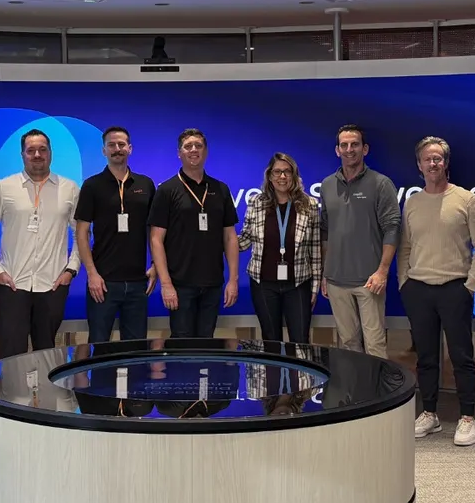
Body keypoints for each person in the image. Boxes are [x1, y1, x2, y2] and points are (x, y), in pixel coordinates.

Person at [399, 136, 475, 447]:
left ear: (446, 163)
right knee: (426, 358)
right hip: (419, 290)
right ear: (419, 165)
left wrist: (469, 286)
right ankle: (430, 413)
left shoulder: (466, 200)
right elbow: (405, 247)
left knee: (462, 356)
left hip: (455, 289)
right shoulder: (412, 203)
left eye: (438, 158)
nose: (433, 163)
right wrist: (405, 283)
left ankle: (468, 417)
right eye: (427, 159)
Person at [0, 129, 80, 358]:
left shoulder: (70, 188)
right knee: (11, 356)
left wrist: (71, 270)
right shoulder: (4, 187)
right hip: (13, 286)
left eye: (42, 149)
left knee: (47, 356)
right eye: (31, 150)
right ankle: (12, 395)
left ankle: (47, 395)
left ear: (50, 153)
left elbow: (82, 233)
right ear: (22, 155)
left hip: (52, 285)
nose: (37, 155)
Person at [318, 124, 401, 357]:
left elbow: (392, 228)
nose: (349, 149)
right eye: (344, 145)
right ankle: (355, 393)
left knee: (375, 345)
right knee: (348, 344)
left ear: (365, 149)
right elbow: (325, 231)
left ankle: (379, 393)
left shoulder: (381, 184)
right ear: (337, 150)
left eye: (354, 144)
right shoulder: (327, 185)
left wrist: (383, 271)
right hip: (336, 280)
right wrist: (326, 273)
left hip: (369, 280)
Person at [148, 128, 238, 338]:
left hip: (213, 283)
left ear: (206, 151)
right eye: (188, 146)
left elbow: (230, 237)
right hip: (180, 285)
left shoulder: (220, 189)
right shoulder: (167, 190)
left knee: (207, 345)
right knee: (182, 348)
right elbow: (156, 239)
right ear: (179, 153)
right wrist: (166, 284)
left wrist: (232, 280)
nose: (194, 150)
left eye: (198, 146)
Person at [75, 126, 157, 343]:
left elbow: (155, 232)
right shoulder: (92, 186)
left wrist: (156, 265)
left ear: (130, 148)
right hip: (103, 284)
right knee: (99, 349)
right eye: (111, 145)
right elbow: (82, 233)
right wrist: (92, 274)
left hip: (139, 283)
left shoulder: (145, 184)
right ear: (104, 151)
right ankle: (101, 379)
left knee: (136, 351)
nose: (117, 149)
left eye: (122, 144)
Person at [237, 152, 323, 343]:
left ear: (294, 175)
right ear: (269, 176)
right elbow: (245, 240)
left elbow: (315, 250)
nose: (282, 177)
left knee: (300, 340)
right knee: (271, 341)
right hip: (263, 283)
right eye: (277, 172)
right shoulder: (256, 203)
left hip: (298, 284)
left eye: (287, 172)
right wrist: (219, 239)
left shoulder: (309, 205)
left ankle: (300, 374)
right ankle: (272, 374)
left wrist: (315, 288)